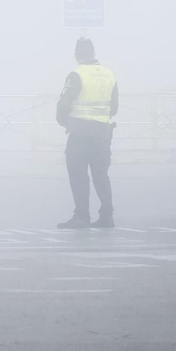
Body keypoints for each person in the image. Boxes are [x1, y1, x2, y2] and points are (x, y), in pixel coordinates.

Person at [56, 37, 118, 229]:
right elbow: (113, 107)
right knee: (101, 175)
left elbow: (64, 104)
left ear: (77, 55)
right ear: (93, 53)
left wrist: (65, 122)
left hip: (80, 134)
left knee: (78, 175)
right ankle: (107, 217)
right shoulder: (109, 74)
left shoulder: (76, 75)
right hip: (102, 133)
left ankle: (82, 216)